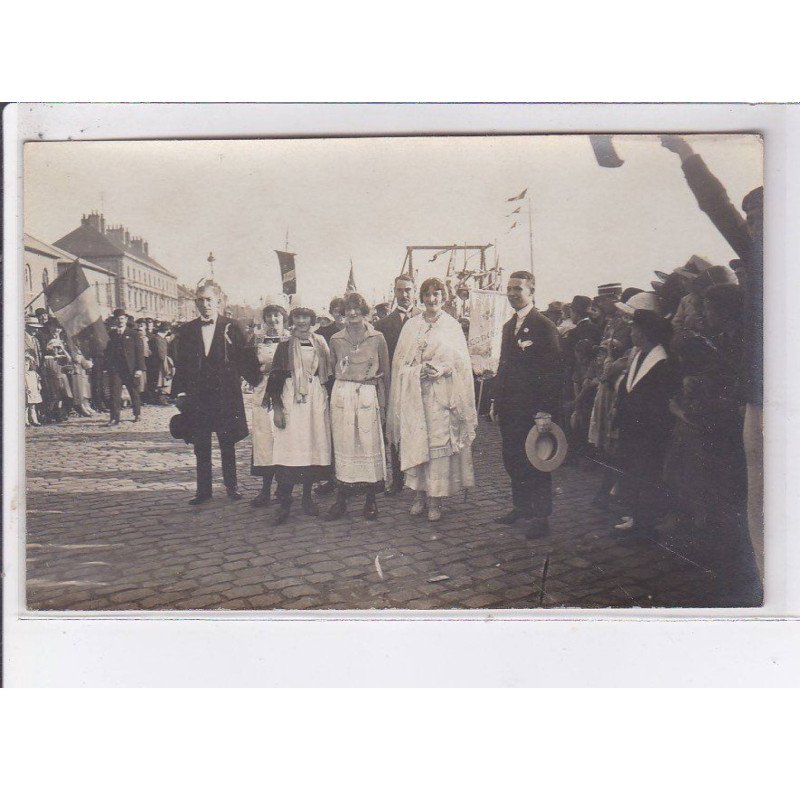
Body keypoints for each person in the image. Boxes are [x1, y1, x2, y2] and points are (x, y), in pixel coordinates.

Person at [661, 134, 764, 580]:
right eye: (751, 219)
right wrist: (686, 153)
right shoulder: (759, 258)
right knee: (758, 500)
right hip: (758, 398)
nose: (753, 226)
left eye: (763, 218)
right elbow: (715, 204)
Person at [387, 277, 477, 522]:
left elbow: (461, 364)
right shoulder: (411, 326)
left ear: (444, 297)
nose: (431, 299)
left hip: (442, 396)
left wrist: (441, 369)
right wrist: (416, 371)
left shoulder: (451, 326)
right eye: (427, 294)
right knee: (417, 442)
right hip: (416, 395)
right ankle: (419, 496)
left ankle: (436, 499)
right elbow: (400, 364)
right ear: (421, 297)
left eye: (436, 294)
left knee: (437, 445)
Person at [492, 271, 563, 537]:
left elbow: (554, 371)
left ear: (531, 292)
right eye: (509, 289)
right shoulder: (509, 326)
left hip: (533, 410)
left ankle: (541, 517)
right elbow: (504, 366)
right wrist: (495, 401)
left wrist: (545, 410)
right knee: (513, 459)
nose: (512, 293)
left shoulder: (543, 326)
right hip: (510, 408)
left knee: (536, 461)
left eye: (517, 289)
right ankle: (521, 507)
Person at [171, 281, 249, 504]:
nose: (204, 305)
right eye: (200, 300)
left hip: (225, 396)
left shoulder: (231, 327)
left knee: (227, 443)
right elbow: (181, 364)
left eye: (208, 300)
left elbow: (244, 358)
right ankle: (203, 490)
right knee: (200, 444)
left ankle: (231, 486)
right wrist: (180, 393)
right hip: (198, 398)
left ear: (218, 301)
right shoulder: (187, 330)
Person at [266, 300, 333, 524]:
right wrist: (277, 407)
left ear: (312, 320)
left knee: (310, 447)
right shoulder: (285, 345)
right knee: (289, 448)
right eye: (297, 317)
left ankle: (307, 497)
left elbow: (328, 375)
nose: (302, 321)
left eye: (306, 317)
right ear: (292, 320)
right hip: (291, 398)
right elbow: (274, 377)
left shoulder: (321, 343)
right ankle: (284, 501)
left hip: (314, 399)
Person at [326, 293, 391, 520]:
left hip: (367, 392)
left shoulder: (377, 337)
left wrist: (386, 404)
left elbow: (386, 372)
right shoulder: (335, 339)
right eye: (348, 309)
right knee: (344, 446)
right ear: (343, 312)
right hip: (343, 393)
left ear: (364, 311)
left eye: (357, 309)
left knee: (368, 444)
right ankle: (341, 499)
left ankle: (370, 499)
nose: (352, 313)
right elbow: (331, 369)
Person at [612, 310, 676, 536]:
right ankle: (637, 516)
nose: (631, 333)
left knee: (647, 476)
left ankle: (644, 525)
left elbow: (659, 403)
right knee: (635, 475)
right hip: (633, 430)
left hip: (649, 433)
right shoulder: (640, 356)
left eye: (634, 329)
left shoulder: (662, 362)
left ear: (644, 333)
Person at [375, 274, 420, 494]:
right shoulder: (383, 324)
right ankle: (397, 479)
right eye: (400, 290)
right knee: (394, 429)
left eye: (408, 290)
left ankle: (420, 478)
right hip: (394, 384)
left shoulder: (426, 319)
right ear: (394, 291)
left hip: (420, 384)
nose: (404, 295)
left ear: (415, 291)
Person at [244, 296, 290, 508]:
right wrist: (257, 374)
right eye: (269, 315)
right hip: (263, 393)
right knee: (264, 439)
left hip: (285, 393)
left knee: (284, 437)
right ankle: (265, 489)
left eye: (277, 315)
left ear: (284, 318)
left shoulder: (291, 339)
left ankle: (284, 489)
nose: (273, 319)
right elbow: (247, 366)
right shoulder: (257, 340)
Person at [104, 309, 145, 427]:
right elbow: (108, 352)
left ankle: (137, 414)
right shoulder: (111, 335)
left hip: (130, 369)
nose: (120, 321)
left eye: (122, 318)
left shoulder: (134, 334)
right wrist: (108, 367)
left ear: (126, 320)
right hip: (116, 369)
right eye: (117, 319)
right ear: (115, 320)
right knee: (115, 393)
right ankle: (114, 418)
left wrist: (139, 369)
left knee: (134, 392)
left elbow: (139, 352)